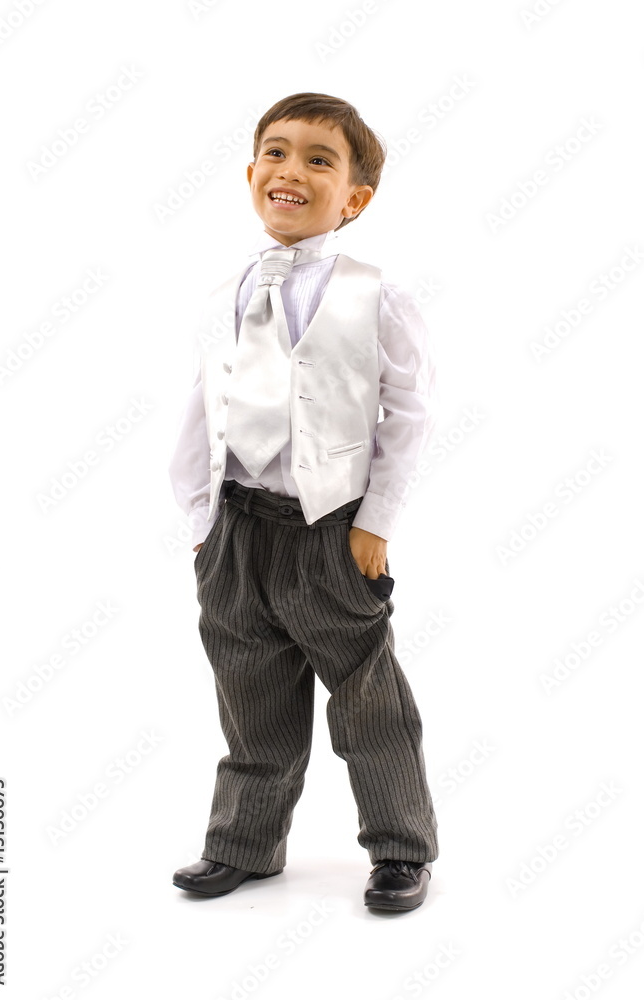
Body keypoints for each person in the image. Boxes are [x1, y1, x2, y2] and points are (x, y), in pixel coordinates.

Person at [169, 92, 439, 912]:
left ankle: (399, 848)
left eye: (319, 160)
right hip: (236, 527)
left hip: (329, 530)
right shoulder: (225, 291)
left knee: (367, 699)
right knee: (249, 694)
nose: (291, 170)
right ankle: (244, 843)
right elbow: (201, 406)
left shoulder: (376, 296)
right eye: (276, 153)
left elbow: (410, 415)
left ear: (354, 198)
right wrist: (201, 522)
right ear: (252, 172)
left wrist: (375, 523)